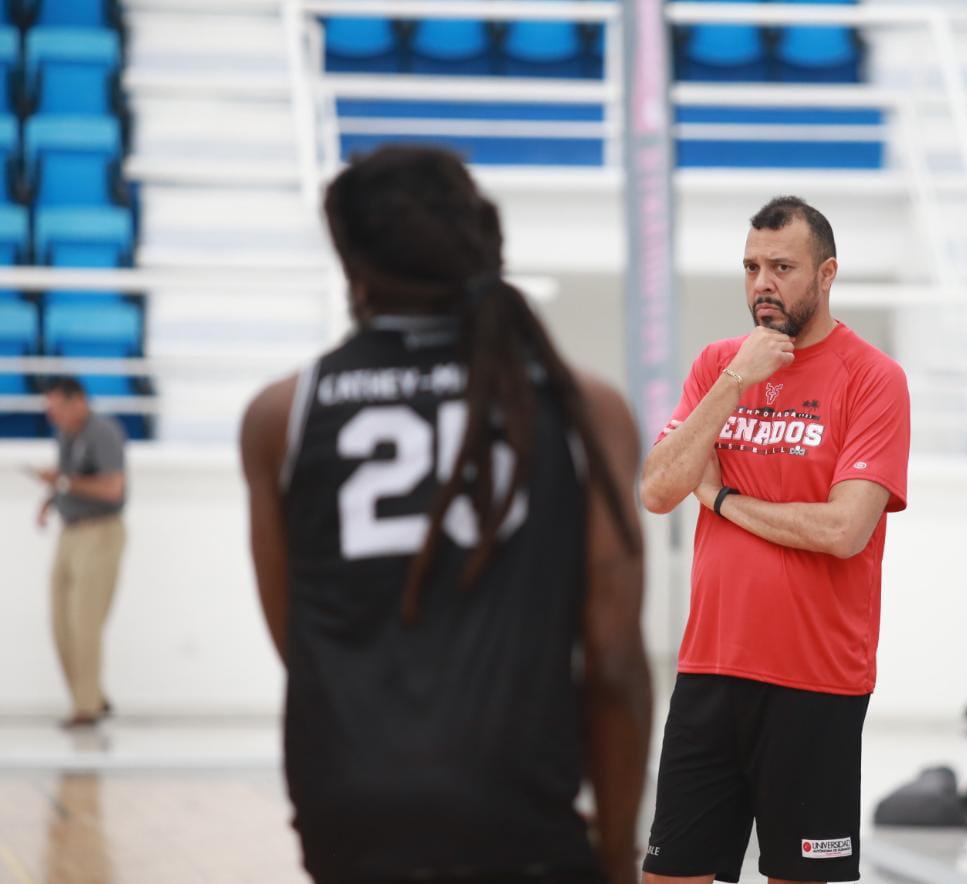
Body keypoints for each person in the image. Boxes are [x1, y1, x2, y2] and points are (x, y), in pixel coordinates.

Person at [239, 146, 652, 884]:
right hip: (519, 815)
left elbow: (301, 644)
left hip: (347, 810)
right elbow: (615, 657)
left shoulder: (284, 415)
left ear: (352, 264)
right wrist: (619, 854)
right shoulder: (579, 407)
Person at [639, 196, 911, 884]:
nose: (762, 282)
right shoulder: (717, 368)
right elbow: (658, 490)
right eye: (752, 266)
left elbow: (845, 530)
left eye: (782, 266)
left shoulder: (873, 378)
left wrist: (725, 498)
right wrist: (735, 383)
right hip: (709, 671)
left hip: (814, 680)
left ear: (826, 275)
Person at [29, 377, 128, 730]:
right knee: (61, 623)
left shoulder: (104, 433)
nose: (52, 416)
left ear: (78, 402)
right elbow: (66, 479)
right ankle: (92, 697)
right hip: (69, 533)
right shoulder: (66, 435)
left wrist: (62, 483)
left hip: (99, 533)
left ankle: (85, 708)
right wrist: (49, 501)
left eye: (56, 408)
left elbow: (113, 488)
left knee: (85, 623)